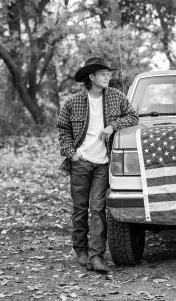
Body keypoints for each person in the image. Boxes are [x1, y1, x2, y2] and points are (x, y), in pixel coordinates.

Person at [57, 55, 139, 272]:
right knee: (80, 209)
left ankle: (96, 256)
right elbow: (63, 129)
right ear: (91, 77)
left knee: (98, 209)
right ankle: (81, 251)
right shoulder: (73, 102)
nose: (107, 77)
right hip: (81, 162)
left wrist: (113, 126)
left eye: (108, 74)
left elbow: (133, 117)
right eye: (103, 74)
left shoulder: (116, 96)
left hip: (103, 163)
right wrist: (71, 154)